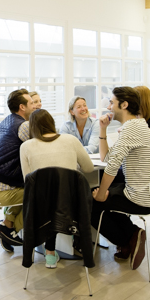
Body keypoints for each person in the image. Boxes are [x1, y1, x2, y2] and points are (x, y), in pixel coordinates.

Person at [93, 87, 150, 270]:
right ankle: (128, 240)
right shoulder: (137, 125)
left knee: (91, 203)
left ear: (124, 105)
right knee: (102, 194)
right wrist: (102, 129)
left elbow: (111, 166)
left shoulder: (131, 129)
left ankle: (130, 236)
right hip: (147, 192)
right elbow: (106, 158)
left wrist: (101, 194)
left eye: (112, 103)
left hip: (140, 197)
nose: (109, 106)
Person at [19, 109, 94, 268]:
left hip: (41, 208)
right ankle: (79, 242)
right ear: (52, 123)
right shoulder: (71, 140)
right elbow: (88, 168)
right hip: (71, 206)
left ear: (32, 127)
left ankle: (50, 254)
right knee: (61, 196)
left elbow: (28, 180)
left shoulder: (26, 147)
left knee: (50, 198)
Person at [0, 88, 35, 252]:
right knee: (41, 193)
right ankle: (10, 230)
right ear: (22, 107)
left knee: (29, 184)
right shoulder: (23, 125)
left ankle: (7, 223)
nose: (34, 106)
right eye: (31, 103)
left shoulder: (7, 121)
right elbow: (41, 146)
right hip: (3, 186)